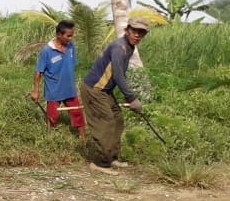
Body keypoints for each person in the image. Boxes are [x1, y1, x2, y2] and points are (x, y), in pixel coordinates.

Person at [79, 15, 150, 173]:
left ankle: (111, 157)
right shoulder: (119, 47)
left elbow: (118, 75)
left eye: (142, 33)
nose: (137, 35)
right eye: (134, 31)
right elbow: (118, 75)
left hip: (105, 90)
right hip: (94, 89)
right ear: (127, 31)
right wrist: (131, 98)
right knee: (106, 122)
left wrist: (128, 96)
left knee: (117, 119)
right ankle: (99, 163)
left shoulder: (129, 47)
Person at [30, 20, 86, 139]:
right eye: (68, 36)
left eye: (72, 35)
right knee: (52, 117)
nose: (70, 38)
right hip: (53, 90)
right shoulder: (47, 51)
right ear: (59, 35)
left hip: (69, 89)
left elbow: (70, 67)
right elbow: (38, 72)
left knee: (77, 113)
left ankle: (83, 139)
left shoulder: (71, 47)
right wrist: (36, 91)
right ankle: (50, 140)